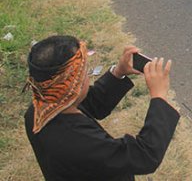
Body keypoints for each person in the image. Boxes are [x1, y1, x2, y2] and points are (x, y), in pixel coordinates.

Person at [24, 35, 179, 180]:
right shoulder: (80, 143)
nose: (87, 77)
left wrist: (118, 72)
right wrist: (159, 96)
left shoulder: (39, 111)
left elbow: (93, 105)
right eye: (85, 73)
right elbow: (144, 156)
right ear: (72, 85)